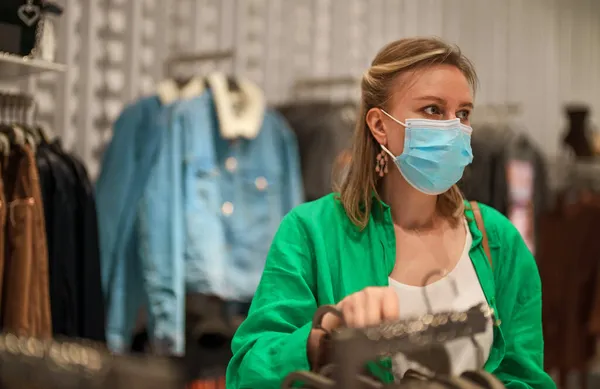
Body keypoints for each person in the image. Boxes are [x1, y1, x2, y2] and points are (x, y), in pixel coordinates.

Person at [225, 37, 555, 389]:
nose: (453, 128)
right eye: (432, 110)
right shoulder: (311, 232)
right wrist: (327, 334)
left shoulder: (498, 240)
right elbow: (249, 371)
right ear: (380, 125)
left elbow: (526, 377)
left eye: (462, 114)